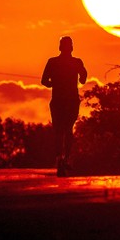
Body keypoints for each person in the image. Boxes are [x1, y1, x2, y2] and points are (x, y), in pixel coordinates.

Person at [41, 35, 87, 177]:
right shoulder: (76, 62)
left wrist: (54, 84)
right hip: (70, 100)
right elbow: (84, 77)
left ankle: (60, 159)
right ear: (71, 47)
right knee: (67, 129)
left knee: (59, 130)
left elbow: (44, 81)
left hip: (59, 100)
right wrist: (80, 78)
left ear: (60, 47)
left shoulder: (53, 62)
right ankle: (64, 158)